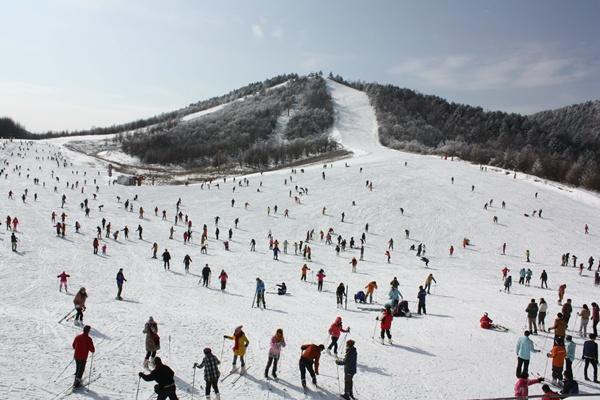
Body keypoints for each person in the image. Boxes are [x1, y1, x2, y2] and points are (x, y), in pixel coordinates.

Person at [72, 325, 95, 389]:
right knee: (81, 370)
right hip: (83, 357)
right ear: (88, 331)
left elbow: (73, 345)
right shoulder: (88, 339)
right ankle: (76, 384)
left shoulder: (77, 337)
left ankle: (76, 380)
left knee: (78, 368)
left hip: (76, 356)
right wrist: (93, 350)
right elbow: (92, 349)